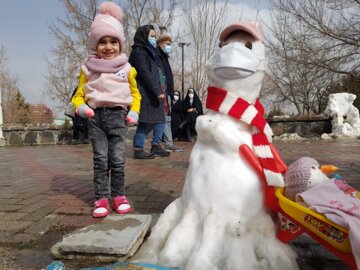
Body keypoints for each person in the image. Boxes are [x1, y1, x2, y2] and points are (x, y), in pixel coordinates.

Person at [71, 2, 141, 218]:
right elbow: (78, 95)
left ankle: (118, 196)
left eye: (113, 42)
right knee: (101, 159)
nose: (108, 47)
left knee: (118, 160)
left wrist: (134, 111)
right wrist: (81, 107)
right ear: (95, 45)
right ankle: (101, 198)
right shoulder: (88, 68)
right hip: (96, 119)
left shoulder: (127, 69)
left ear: (120, 45)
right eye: (102, 42)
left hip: (118, 117)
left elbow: (136, 95)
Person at [129, 25, 170, 159]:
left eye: (155, 36)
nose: (154, 39)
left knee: (159, 119)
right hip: (145, 92)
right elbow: (145, 73)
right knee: (146, 121)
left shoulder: (150, 51)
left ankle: (155, 145)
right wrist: (156, 90)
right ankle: (138, 148)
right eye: (151, 36)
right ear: (144, 36)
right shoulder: (139, 51)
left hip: (153, 91)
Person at [157, 32, 183, 152]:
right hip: (160, 91)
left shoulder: (164, 58)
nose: (169, 47)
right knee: (161, 118)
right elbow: (159, 75)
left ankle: (167, 143)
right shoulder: (157, 57)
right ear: (160, 44)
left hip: (166, 91)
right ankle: (162, 143)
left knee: (166, 117)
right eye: (167, 44)